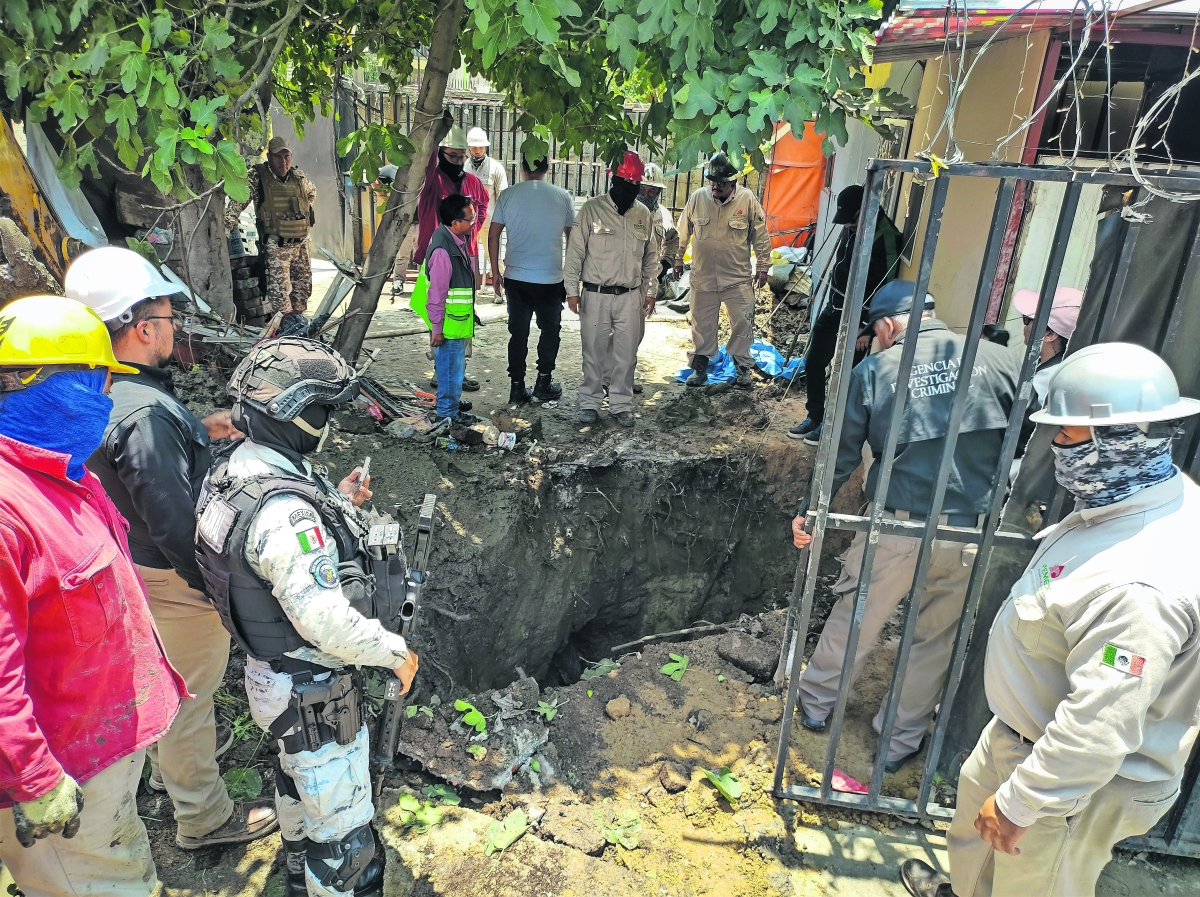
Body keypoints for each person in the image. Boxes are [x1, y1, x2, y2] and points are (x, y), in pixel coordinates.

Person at [900, 343, 1200, 897]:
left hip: (1067, 785)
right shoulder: (1140, 507)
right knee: (976, 858)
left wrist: (1021, 802)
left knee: (1030, 884)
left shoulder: (1141, 584)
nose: (1055, 448)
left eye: (1067, 435)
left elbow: (1098, 726)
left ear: (1119, 440)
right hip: (1021, 743)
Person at [65, 247, 279, 851]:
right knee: (189, 696)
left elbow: (133, 466)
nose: (174, 325)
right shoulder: (145, 415)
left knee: (163, 682)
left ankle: (169, 773)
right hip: (172, 578)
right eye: (167, 315)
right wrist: (218, 586)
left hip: (132, 562)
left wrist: (194, 429)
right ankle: (204, 818)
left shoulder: (105, 387)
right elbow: (174, 522)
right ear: (140, 328)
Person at [194, 337, 419, 897]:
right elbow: (328, 623)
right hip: (312, 690)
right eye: (322, 409)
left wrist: (336, 503)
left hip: (270, 675)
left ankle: (297, 877)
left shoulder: (235, 476)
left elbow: (264, 556)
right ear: (294, 413)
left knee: (296, 790)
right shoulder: (284, 511)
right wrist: (398, 655)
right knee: (343, 842)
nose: (328, 421)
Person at [790, 281, 1019, 771]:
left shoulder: (875, 370)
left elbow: (841, 454)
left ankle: (814, 706)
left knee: (858, 616)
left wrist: (813, 510)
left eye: (876, 332)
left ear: (888, 325)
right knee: (935, 637)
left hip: (896, 525)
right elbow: (1019, 446)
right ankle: (899, 740)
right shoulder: (1001, 361)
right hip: (968, 530)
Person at [0, 295, 185, 895]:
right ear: (36, 384)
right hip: (63, 777)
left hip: (101, 753)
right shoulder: (7, 511)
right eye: (95, 383)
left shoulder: (58, 471)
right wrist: (35, 779)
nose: (105, 402)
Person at [790, 183, 902, 444]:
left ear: (865, 211)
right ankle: (815, 416)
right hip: (835, 306)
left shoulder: (885, 236)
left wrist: (868, 326)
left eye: (851, 222)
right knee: (815, 361)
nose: (847, 227)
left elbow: (886, 287)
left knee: (849, 377)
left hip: (860, 319)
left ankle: (832, 426)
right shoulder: (850, 226)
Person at [563, 151, 660, 428]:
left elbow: (651, 257)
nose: (628, 190)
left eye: (634, 185)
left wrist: (651, 291)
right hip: (595, 294)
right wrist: (572, 289)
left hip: (631, 296)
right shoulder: (592, 209)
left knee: (626, 354)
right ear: (613, 181)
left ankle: (621, 404)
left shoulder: (643, 215)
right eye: (624, 183)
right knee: (593, 352)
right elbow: (575, 253)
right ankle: (590, 402)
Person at [673, 151, 771, 389]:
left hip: (737, 279)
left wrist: (764, 265)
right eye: (713, 182)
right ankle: (700, 368)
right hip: (702, 277)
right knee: (702, 325)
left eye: (721, 183)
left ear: (734, 182)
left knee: (743, 324)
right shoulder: (698, 198)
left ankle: (742, 368)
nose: (716, 187)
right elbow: (682, 231)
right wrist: (676, 259)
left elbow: (761, 234)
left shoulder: (747, 200)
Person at [488, 152, 574, 405]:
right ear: (548, 167)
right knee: (550, 331)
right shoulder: (562, 196)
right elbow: (574, 240)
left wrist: (495, 273)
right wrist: (570, 277)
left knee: (518, 334)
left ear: (522, 167)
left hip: (516, 278)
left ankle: (517, 388)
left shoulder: (508, 195)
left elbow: (493, 236)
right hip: (550, 279)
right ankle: (543, 383)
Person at [413, 127, 488, 395]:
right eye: (451, 157)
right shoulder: (432, 181)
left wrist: (473, 228)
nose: (457, 162)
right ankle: (440, 371)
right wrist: (436, 131)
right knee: (437, 309)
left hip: (465, 255)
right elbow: (428, 161)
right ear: (441, 155)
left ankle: (459, 370)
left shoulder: (471, 182)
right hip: (440, 255)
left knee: (463, 312)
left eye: (460, 158)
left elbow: (483, 204)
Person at [225, 135, 317, 321]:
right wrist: (226, 226)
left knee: (302, 295)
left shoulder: (299, 177)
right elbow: (238, 202)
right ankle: (284, 334)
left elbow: (311, 195)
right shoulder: (257, 175)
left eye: (287, 156)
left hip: (301, 246)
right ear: (269, 156)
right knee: (280, 301)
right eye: (278, 157)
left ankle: (297, 329)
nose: (283, 162)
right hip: (277, 248)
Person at [417, 194, 478, 425]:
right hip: (449, 325)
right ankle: (447, 415)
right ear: (455, 223)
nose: (474, 223)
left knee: (453, 370)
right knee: (451, 372)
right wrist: (437, 328)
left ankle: (450, 406)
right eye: (470, 219)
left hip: (455, 322)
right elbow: (437, 293)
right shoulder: (444, 250)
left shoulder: (451, 239)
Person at [1010, 286, 1083, 466]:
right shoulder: (1067, 368)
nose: (1024, 326)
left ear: (1050, 334)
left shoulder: (1046, 379)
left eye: (1027, 320)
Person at [466, 126, 509, 300]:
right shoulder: (464, 167)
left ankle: (500, 291)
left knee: (494, 258)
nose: (477, 151)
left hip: (490, 221)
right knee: (468, 256)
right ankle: (470, 291)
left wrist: (501, 221)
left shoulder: (495, 168)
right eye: (474, 147)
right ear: (469, 147)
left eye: (480, 147)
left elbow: (503, 195)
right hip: (467, 222)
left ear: (486, 147)